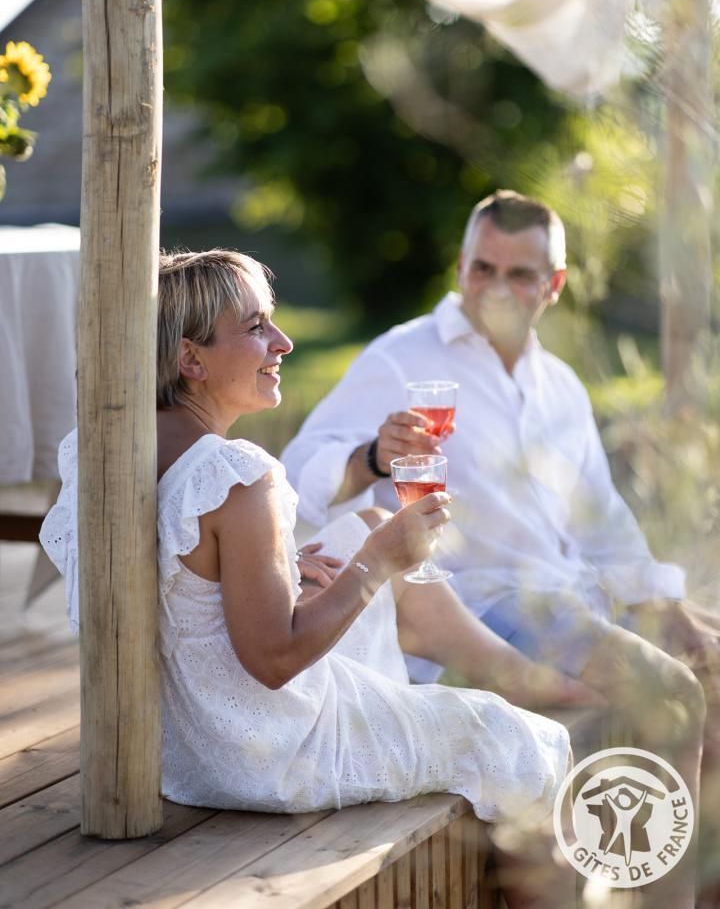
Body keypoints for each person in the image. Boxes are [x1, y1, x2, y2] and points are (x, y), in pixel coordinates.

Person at [40, 247, 588, 908]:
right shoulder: (238, 478)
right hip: (265, 754)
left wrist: (270, 565)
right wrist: (381, 560)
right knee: (520, 740)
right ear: (191, 360)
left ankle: (488, 671)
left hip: (181, 745)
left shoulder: (103, 448)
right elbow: (275, 659)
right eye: (256, 327)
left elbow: (176, 573)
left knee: (360, 526)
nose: (284, 341)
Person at [282, 192, 713, 904]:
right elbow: (299, 470)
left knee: (712, 669)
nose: (496, 288)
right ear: (460, 267)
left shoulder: (559, 383)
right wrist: (371, 456)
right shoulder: (403, 357)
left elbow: (603, 521)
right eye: (483, 268)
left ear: (555, 284)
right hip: (488, 605)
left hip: (575, 593)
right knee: (672, 691)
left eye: (520, 274)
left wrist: (664, 603)